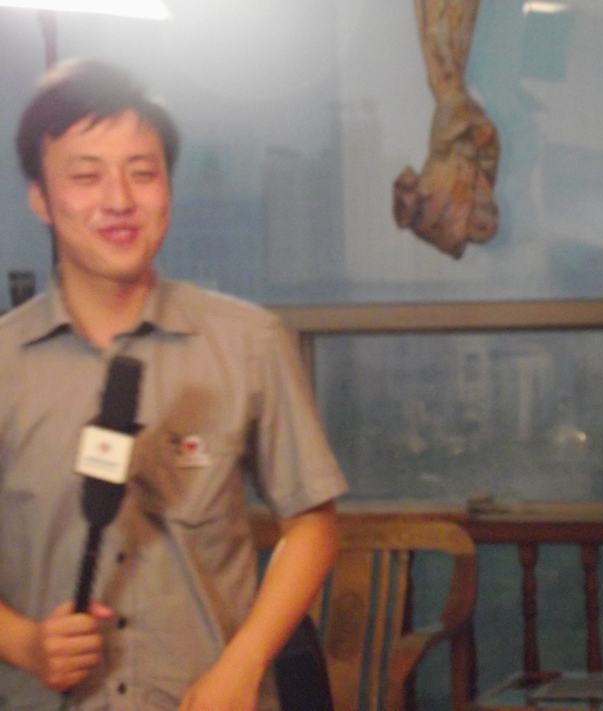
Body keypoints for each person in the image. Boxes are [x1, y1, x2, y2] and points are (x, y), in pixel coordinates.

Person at [0, 59, 347, 710]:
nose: (119, 200)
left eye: (142, 172)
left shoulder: (248, 342)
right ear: (40, 199)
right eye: (86, 176)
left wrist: (243, 665)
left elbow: (311, 525)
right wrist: (23, 643)